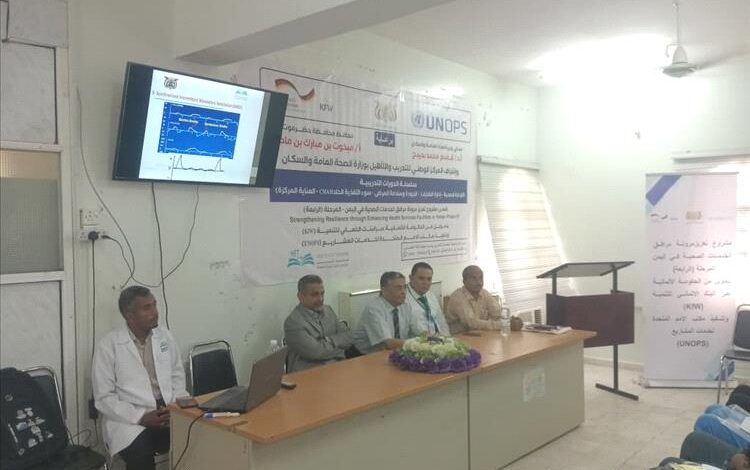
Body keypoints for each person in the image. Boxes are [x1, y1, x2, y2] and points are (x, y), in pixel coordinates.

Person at [92, 286, 188, 470]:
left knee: (199, 435)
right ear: (130, 315)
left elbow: (177, 375)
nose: (155, 312)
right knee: (141, 453)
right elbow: (104, 398)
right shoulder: (108, 346)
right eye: (147, 308)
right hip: (128, 419)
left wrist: (175, 406)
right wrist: (141, 417)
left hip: (167, 410)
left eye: (154, 305)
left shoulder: (164, 336)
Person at [284, 274, 354, 372]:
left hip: (337, 367)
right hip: (308, 372)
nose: (320, 299)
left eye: (322, 293)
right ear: (300, 297)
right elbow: (317, 352)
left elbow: (350, 336)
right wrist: (340, 347)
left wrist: (329, 340)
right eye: (314, 295)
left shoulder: (328, 310)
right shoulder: (293, 322)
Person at [352, 271, 422, 354]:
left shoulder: (405, 305)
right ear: (384, 290)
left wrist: (429, 338)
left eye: (404, 287)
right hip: (363, 356)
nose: (403, 292)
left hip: (395, 351)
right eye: (398, 288)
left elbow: (418, 331)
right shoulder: (374, 309)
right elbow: (388, 343)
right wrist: (419, 345)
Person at [445, 265, 502, 334]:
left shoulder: (484, 293)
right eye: (474, 278)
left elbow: (497, 313)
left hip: (479, 334)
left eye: (481, 278)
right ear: (464, 281)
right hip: (458, 336)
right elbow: (472, 323)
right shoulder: (458, 297)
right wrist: (501, 325)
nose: (479, 282)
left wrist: (508, 322)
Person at [405, 262, 450, 336]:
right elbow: (413, 329)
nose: (425, 283)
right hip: (419, 341)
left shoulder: (430, 295)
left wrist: (447, 338)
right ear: (411, 278)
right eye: (421, 278)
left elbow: (442, 322)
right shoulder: (403, 299)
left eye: (429, 279)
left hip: (439, 339)